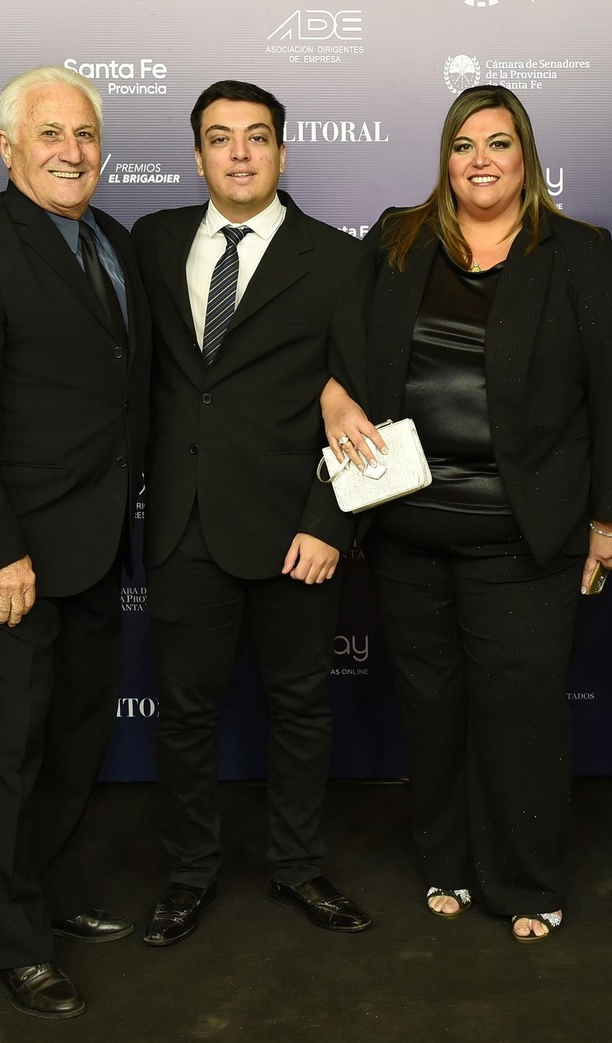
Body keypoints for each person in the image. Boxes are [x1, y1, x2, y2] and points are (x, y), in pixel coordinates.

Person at [324, 84, 612, 943]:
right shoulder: (398, 238)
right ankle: (447, 867)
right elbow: (335, 339)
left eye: (498, 144)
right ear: (445, 157)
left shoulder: (577, 251)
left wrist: (610, 519)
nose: (480, 161)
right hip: (406, 531)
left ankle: (526, 880)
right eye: (464, 145)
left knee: (521, 708)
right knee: (430, 708)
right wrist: (329, 397)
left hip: (522, 534)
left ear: (525, 155)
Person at [0, 65, 149, 1018]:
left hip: (94, 548)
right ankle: (14, 942)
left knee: (73, 737)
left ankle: (51, 893)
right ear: (7, 148)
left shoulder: (116, 243)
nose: (71, 151)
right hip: (13, 557)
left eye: (84, 134)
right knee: (8, 750)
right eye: (49, 134)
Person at [132, 80, 372, 947]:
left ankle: (298, 866)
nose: (239, 152)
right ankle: (190, 873)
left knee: (301, 707)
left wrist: (330, 521)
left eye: (257, 136)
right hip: (183, 526)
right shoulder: (151, 244)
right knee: (185, 715)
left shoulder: (336, 260)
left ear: (282, 151)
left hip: (293, 530)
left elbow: (361, 401)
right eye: (220, 138)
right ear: (196, 155)